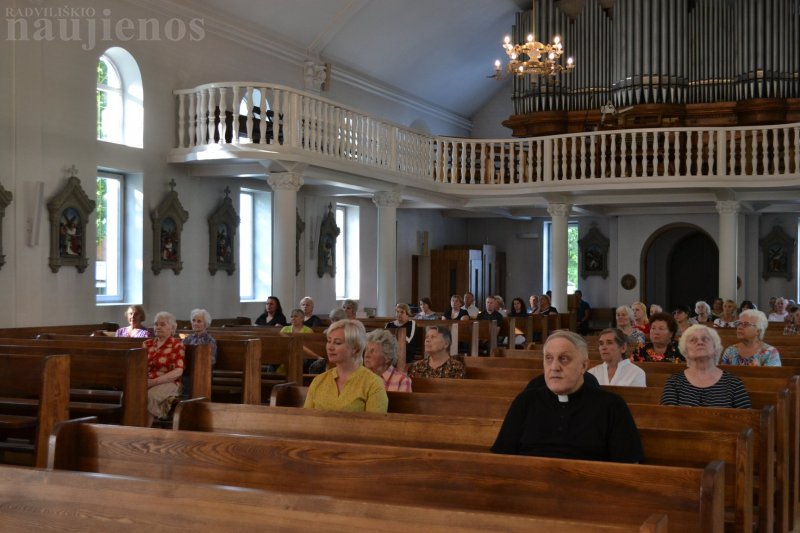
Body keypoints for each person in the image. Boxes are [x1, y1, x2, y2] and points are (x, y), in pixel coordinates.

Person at [491, 330, 643, 462]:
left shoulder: (611, 406)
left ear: (583, 366)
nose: (554, 367)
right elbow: (500, 459)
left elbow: (628, 467)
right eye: (549, 358)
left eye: (564, 359)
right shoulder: (525, 401)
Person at [304, 319, 388, 413]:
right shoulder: (319, 381)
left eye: (337, 343)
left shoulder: (373, 383)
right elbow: (306, 419)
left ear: (355, 348)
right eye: (329, 341)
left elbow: (375, 425)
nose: (330, 347)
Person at [661, 325, 751, 408]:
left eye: (705, 339)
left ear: (715, 348)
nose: (700, 342)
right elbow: (666, 418)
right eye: (693, 340)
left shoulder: (734, 383)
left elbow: (746, 420)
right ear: (685, 351)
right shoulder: (674, 382)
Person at [144, 311, 185, 425]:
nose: (158, 327)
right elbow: (139, 366)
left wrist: (153, 382)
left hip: (170, 383)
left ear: (172, 328)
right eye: (156, 324)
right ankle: (129, 429)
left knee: (150, 396)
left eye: (162, 324)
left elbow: (178, 371)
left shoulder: (177, 345)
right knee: (130, 394)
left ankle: (146, 431)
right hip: (146, 381)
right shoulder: (147, 344)